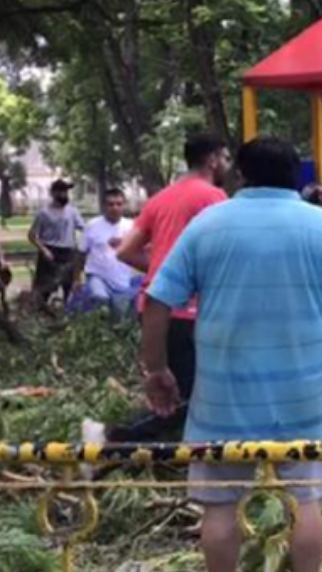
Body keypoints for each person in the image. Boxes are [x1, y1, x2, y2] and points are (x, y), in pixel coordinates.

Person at [139, 136, 322, 572]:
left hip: (221, 401)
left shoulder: (209, 225)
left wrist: (156, 369)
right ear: (295, 176)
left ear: (241, 174)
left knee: (220, 505)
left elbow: (157, 301)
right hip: (304, 398)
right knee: (305, 500)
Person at [90, 132, 231, 445]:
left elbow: (125, 251)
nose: (226, 165)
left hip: (153, 307)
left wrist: (161, 271)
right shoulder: (213, 198)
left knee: (181, 388)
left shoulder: (161, 198)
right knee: (188, 395)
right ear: (211, 159)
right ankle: (114, 441)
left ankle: (163, 451)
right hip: (188, 310)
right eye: (225, 158)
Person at [72, 189, 141, 316]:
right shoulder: (93, 225)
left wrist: (124, 243)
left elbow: (141, 251)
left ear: (124, 205)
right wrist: (76, 278)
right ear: (104, 206)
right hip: (97, 275)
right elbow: (80, 253)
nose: (115, 208)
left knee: (120, 314)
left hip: (121, 280)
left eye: (119, 204)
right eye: (111, 204)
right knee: (100, 297)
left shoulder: (131, 226)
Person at [28, 179, 86, 312]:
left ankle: (68, 315)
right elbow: (32, 235)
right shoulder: (43, 213)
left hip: (68, 252)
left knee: (69, 286)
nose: (65, 195)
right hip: (50, 252)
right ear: (53, 193)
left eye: (66, 192)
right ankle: (40, 315)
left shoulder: (72, 211)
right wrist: (43, 250)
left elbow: (84, 228)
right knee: (45, 288)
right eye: (61, 191)